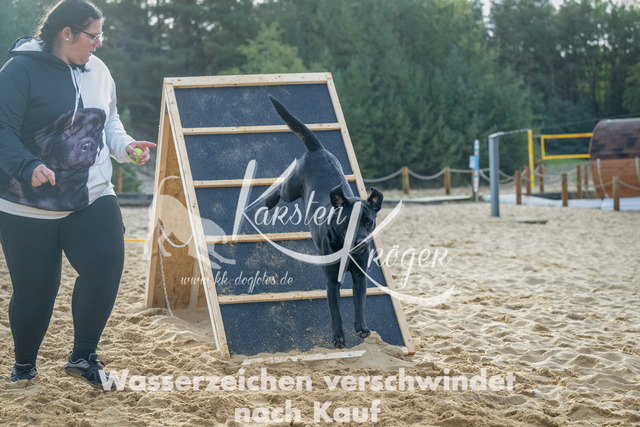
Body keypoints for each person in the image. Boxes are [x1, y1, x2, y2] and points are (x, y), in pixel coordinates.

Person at [0, 0, 155, 388]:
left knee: (106, 266)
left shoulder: (99, 70)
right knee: (36, 291)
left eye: (102, 35)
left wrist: (125, 147)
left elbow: (110, 120)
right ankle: (24, 366)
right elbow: (2, 130)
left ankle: (83, 357)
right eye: (93, 35)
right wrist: (27, 165)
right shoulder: (19, 71)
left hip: (92, 193)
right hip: (28, 204)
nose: (99, 43)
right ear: (65, 34)